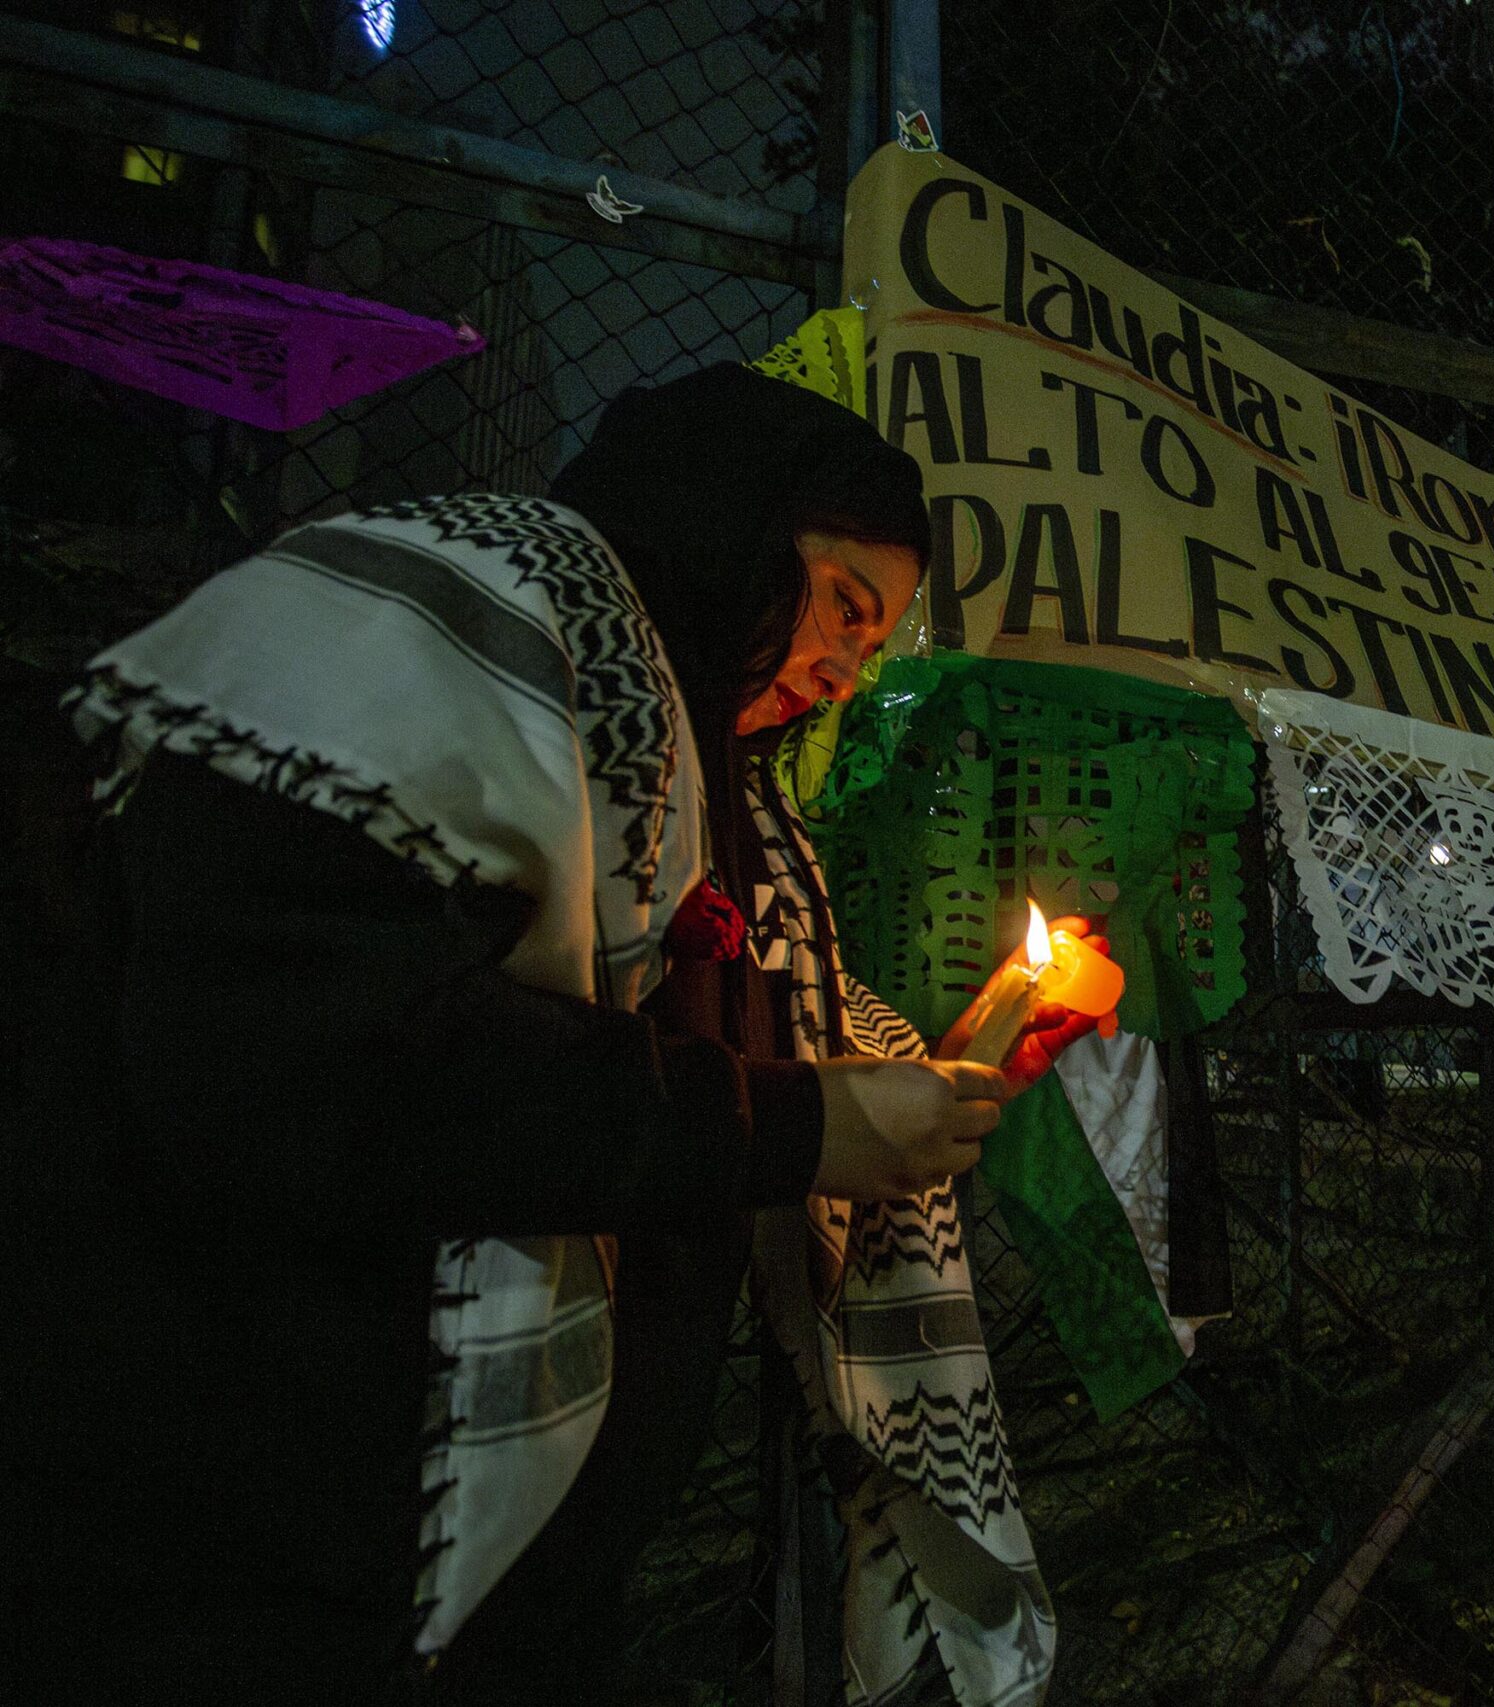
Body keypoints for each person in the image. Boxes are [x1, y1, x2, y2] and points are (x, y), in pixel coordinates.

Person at [4, 354, 1083, 1700]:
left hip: (492, 1588)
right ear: (729, 522)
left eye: (871, 653)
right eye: (844, 609)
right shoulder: (446, 629)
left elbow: (712, 1045)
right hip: (245, 1545)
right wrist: (800, 1127)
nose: (840, 677)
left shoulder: (691, 774)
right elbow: (320, 1053)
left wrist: (938, 1074)